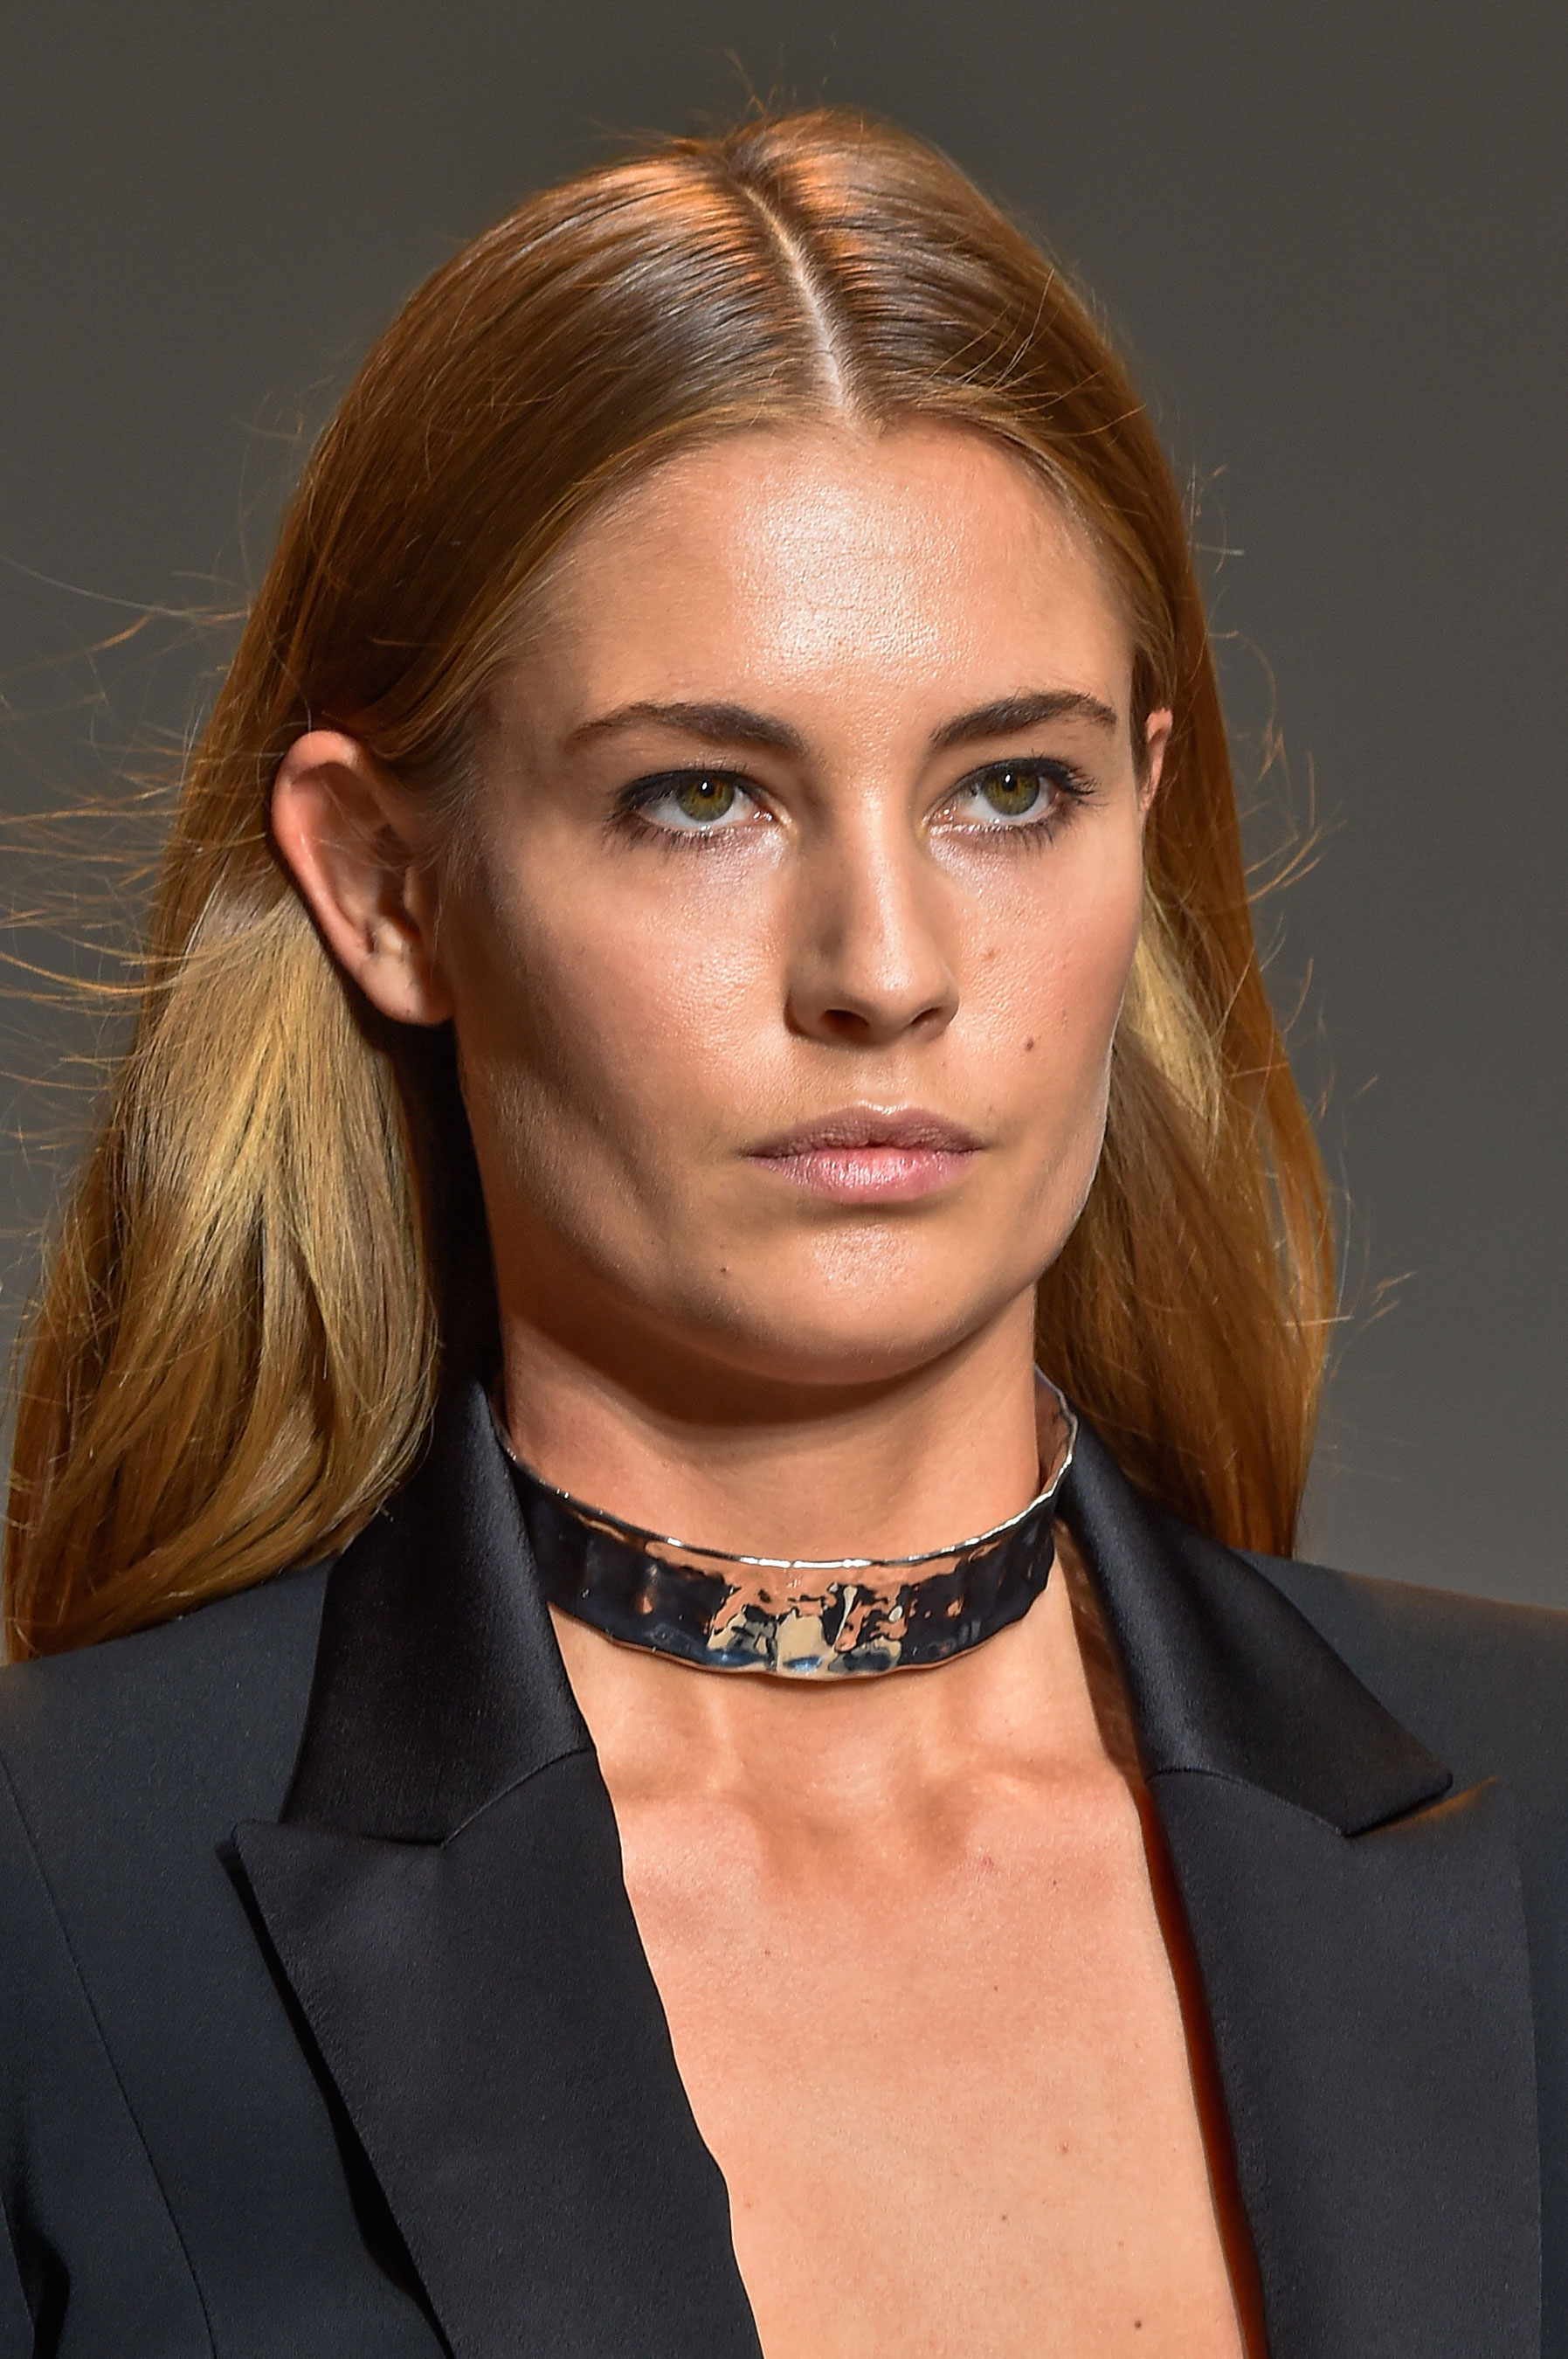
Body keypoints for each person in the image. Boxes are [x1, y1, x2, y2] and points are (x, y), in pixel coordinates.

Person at [0, 107, 1562, 2359]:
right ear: (386, 883)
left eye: (1008, 787)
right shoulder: (66, 1911)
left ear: (1142, 811)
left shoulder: (1547, 1814)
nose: (886, 968)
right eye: (701, 798)